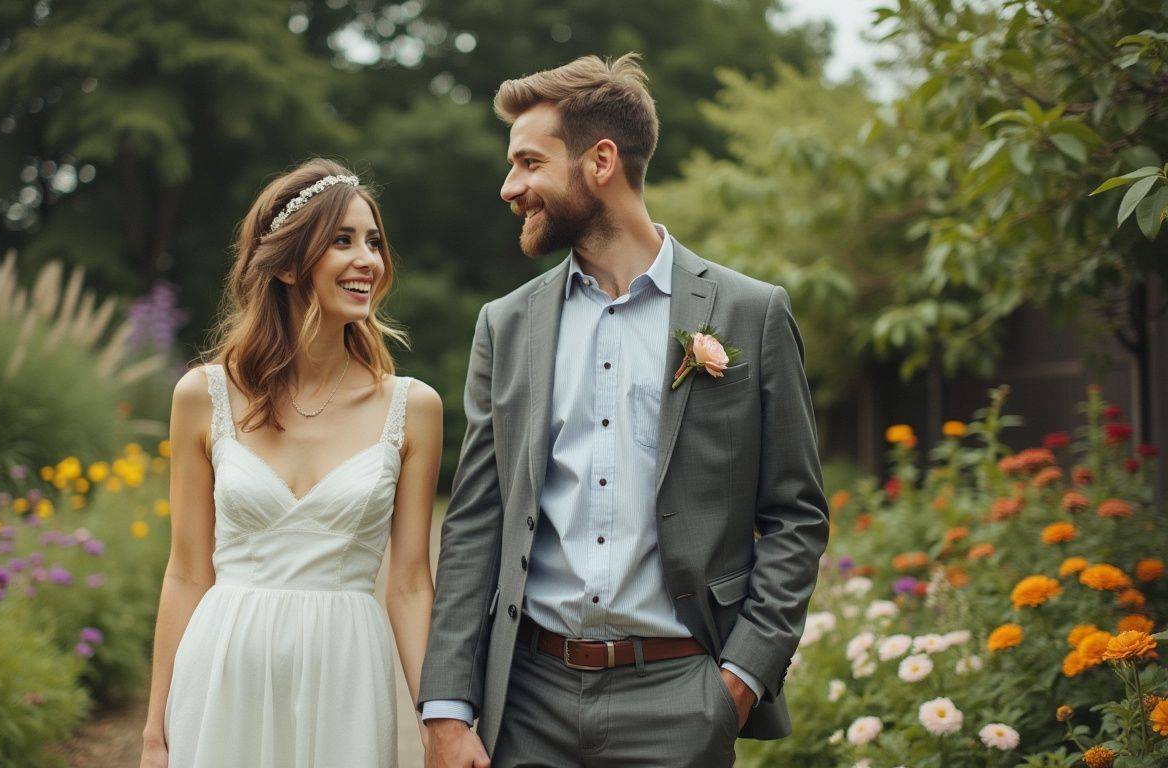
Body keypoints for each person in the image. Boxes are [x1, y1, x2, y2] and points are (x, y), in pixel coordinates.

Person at [419, 54, 829, 768]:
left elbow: (796, 513)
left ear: (600, 161)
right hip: (528, 703)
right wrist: (448, 710)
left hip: (682, 699)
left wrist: (739, 680)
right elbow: (475, 520)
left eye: (529, 163)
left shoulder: (751, 313)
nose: (510, 186)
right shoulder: (505, 326)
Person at [139, 158, 443, 767]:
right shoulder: (203, 396)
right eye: (342, 240)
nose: (368, 260)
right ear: (284, 264)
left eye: (374, 242)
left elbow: (410, 584)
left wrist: (439, 722)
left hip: (346, 676)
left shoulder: (412, 409)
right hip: (224, 669)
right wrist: (154, 733)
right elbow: (187, 573)